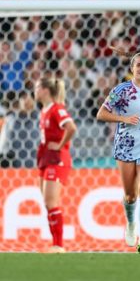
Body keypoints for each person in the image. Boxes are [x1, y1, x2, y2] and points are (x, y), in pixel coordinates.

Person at [96, 48, 140, 254]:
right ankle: (130, 223)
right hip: (126, 146)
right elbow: (101, 114)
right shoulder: (122, 90)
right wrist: (123, 119)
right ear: (132, 68)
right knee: (130, 196)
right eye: (139, 65)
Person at [34, 78, 77, 253]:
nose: (34, 90)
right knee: (47, 202)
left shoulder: (57, 109)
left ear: (45, 90)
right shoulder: (44, 111)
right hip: (46, 158)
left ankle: (59, 245)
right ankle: (55, 244)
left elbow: (71, 128)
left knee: (52, 202)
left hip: (57, 158)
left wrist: (60, 146)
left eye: (37, 87)